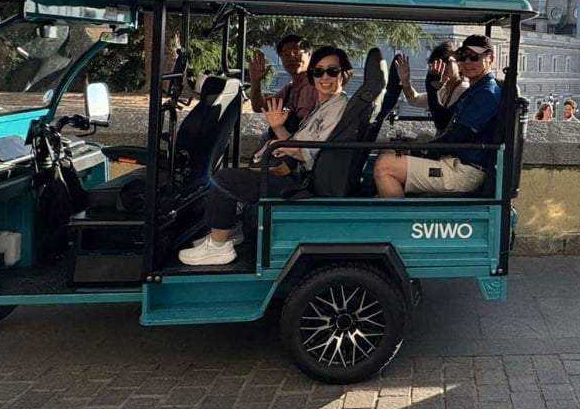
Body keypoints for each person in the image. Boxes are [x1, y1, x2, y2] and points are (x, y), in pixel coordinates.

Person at [180, 46, 353, 266]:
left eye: (332, 71)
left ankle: (218, 245)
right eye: (318, 72)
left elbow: (309, 150)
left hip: (298, 181)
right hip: (295, 170)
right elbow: (300, 140)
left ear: (345, 74)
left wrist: (280, 144)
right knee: (238, 173)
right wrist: (278, 129)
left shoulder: (338, 106)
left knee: (224, 179)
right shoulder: (324, 105)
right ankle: (227, 230)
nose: (324, 77)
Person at [374, 35, 502, 197]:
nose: (467, 62)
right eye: (463, 56)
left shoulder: (486, 94)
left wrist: (423, 151)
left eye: (474, 57)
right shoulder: (474, 90)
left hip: (463, 171)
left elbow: (457, 136)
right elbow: (444, 120)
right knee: (389, 154)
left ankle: (401, 222)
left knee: (384, 167)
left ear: (490, 59)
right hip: (455, 162)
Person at [249, 34, 316, 133]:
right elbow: (259, 107)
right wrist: (255, 81)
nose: (291, 57)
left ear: (309, 55)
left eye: (296, 52)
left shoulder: (317, 85)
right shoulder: (290, 88)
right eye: (285, 54)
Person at [393, 43, 468, 131]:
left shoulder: (464, 90)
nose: (440, 67)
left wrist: (431, 88)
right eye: (435, 63)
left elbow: (444, 122)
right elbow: (414, 100)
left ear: (458, 64)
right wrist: (405, 81)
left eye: (446, 61)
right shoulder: (443, 91)